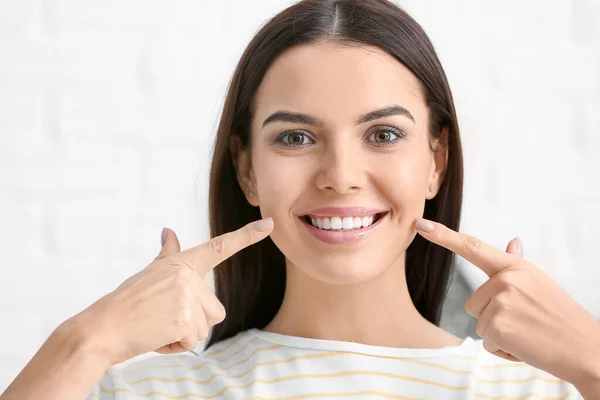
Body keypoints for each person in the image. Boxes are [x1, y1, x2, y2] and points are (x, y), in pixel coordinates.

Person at [2, 0, 599, 398]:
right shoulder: (146, 391)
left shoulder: (543, 392)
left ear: (435, 163)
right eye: (296, 137)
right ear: (247, 171)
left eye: (384, 135)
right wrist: (85, 341)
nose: (340, 175)